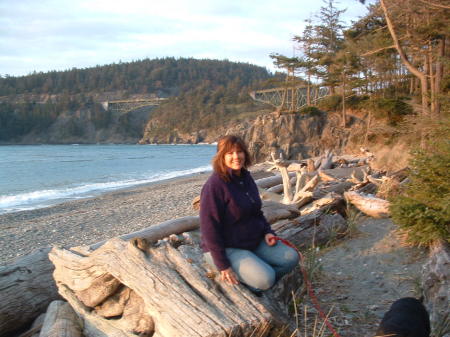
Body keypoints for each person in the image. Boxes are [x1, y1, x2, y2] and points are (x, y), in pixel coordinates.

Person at [200, 135, 299, 293]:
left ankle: (255, 285)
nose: (235, 157)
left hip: (251, 242)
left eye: (239, 152)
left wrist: (267, 231)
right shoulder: (214, 186)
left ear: (245, 153)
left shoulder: (246, 178)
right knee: (266, 278)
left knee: (291, 258)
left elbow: (256, 212)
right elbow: (208, 229)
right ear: (221, 156)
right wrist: (223, 265)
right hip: (225, 248)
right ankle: (249, 287)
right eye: (229, 153)